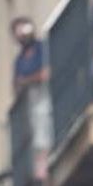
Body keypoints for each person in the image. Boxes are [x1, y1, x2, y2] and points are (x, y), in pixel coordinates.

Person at [10, 16, 53, 177]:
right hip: (30, 104)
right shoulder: (19, 60)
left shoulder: (42, 49)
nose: (22, 34)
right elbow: (15, 84)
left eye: (24, 29)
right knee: (36, 140)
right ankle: (40, 173)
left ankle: (44, 173)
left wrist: (27, 80)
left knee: (43, 134)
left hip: (43, 97)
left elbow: (46, 73)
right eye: (18, 32)